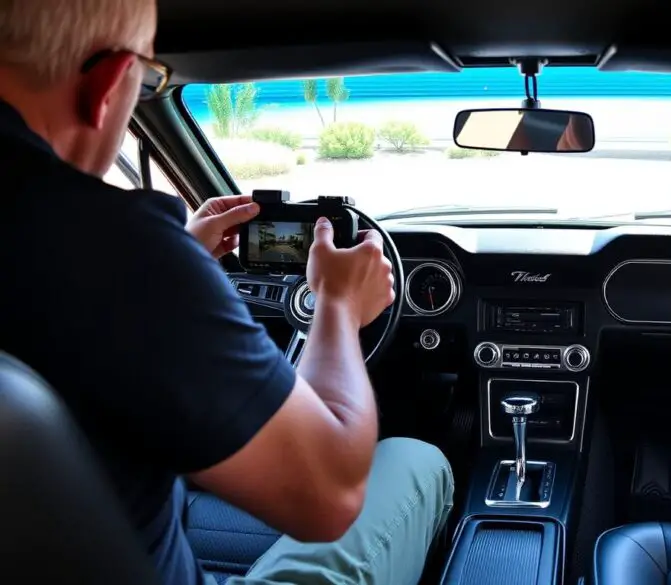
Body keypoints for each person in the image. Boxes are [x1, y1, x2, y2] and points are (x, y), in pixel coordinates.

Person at [0, 2, 453, 585]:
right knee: (419, 459)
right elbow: (330, 494)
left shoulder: (112, 260)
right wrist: (338, 307)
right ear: (110, 86)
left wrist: (180, 261)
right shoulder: (117, 249)